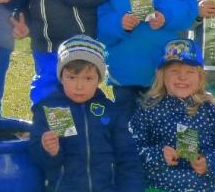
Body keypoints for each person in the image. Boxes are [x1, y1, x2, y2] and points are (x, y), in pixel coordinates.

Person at [28, 35, 144, 192]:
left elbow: (128, 157)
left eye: (88, 78)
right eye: (72, 77)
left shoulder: (111, 111)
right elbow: (37, 158)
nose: (79, 86)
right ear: (61, 77)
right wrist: (49, 150)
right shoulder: (46, 110)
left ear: (99, 79)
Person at [129, 39, 215, 192]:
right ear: (162, 75)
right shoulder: (149, 108)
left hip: (205, 187)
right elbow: (129, 149)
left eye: (190, 71)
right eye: (174, 71)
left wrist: (210, 163)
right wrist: (158, 155)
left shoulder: (212, 111)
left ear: (200, 76)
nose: (182, 77)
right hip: (161, 186)